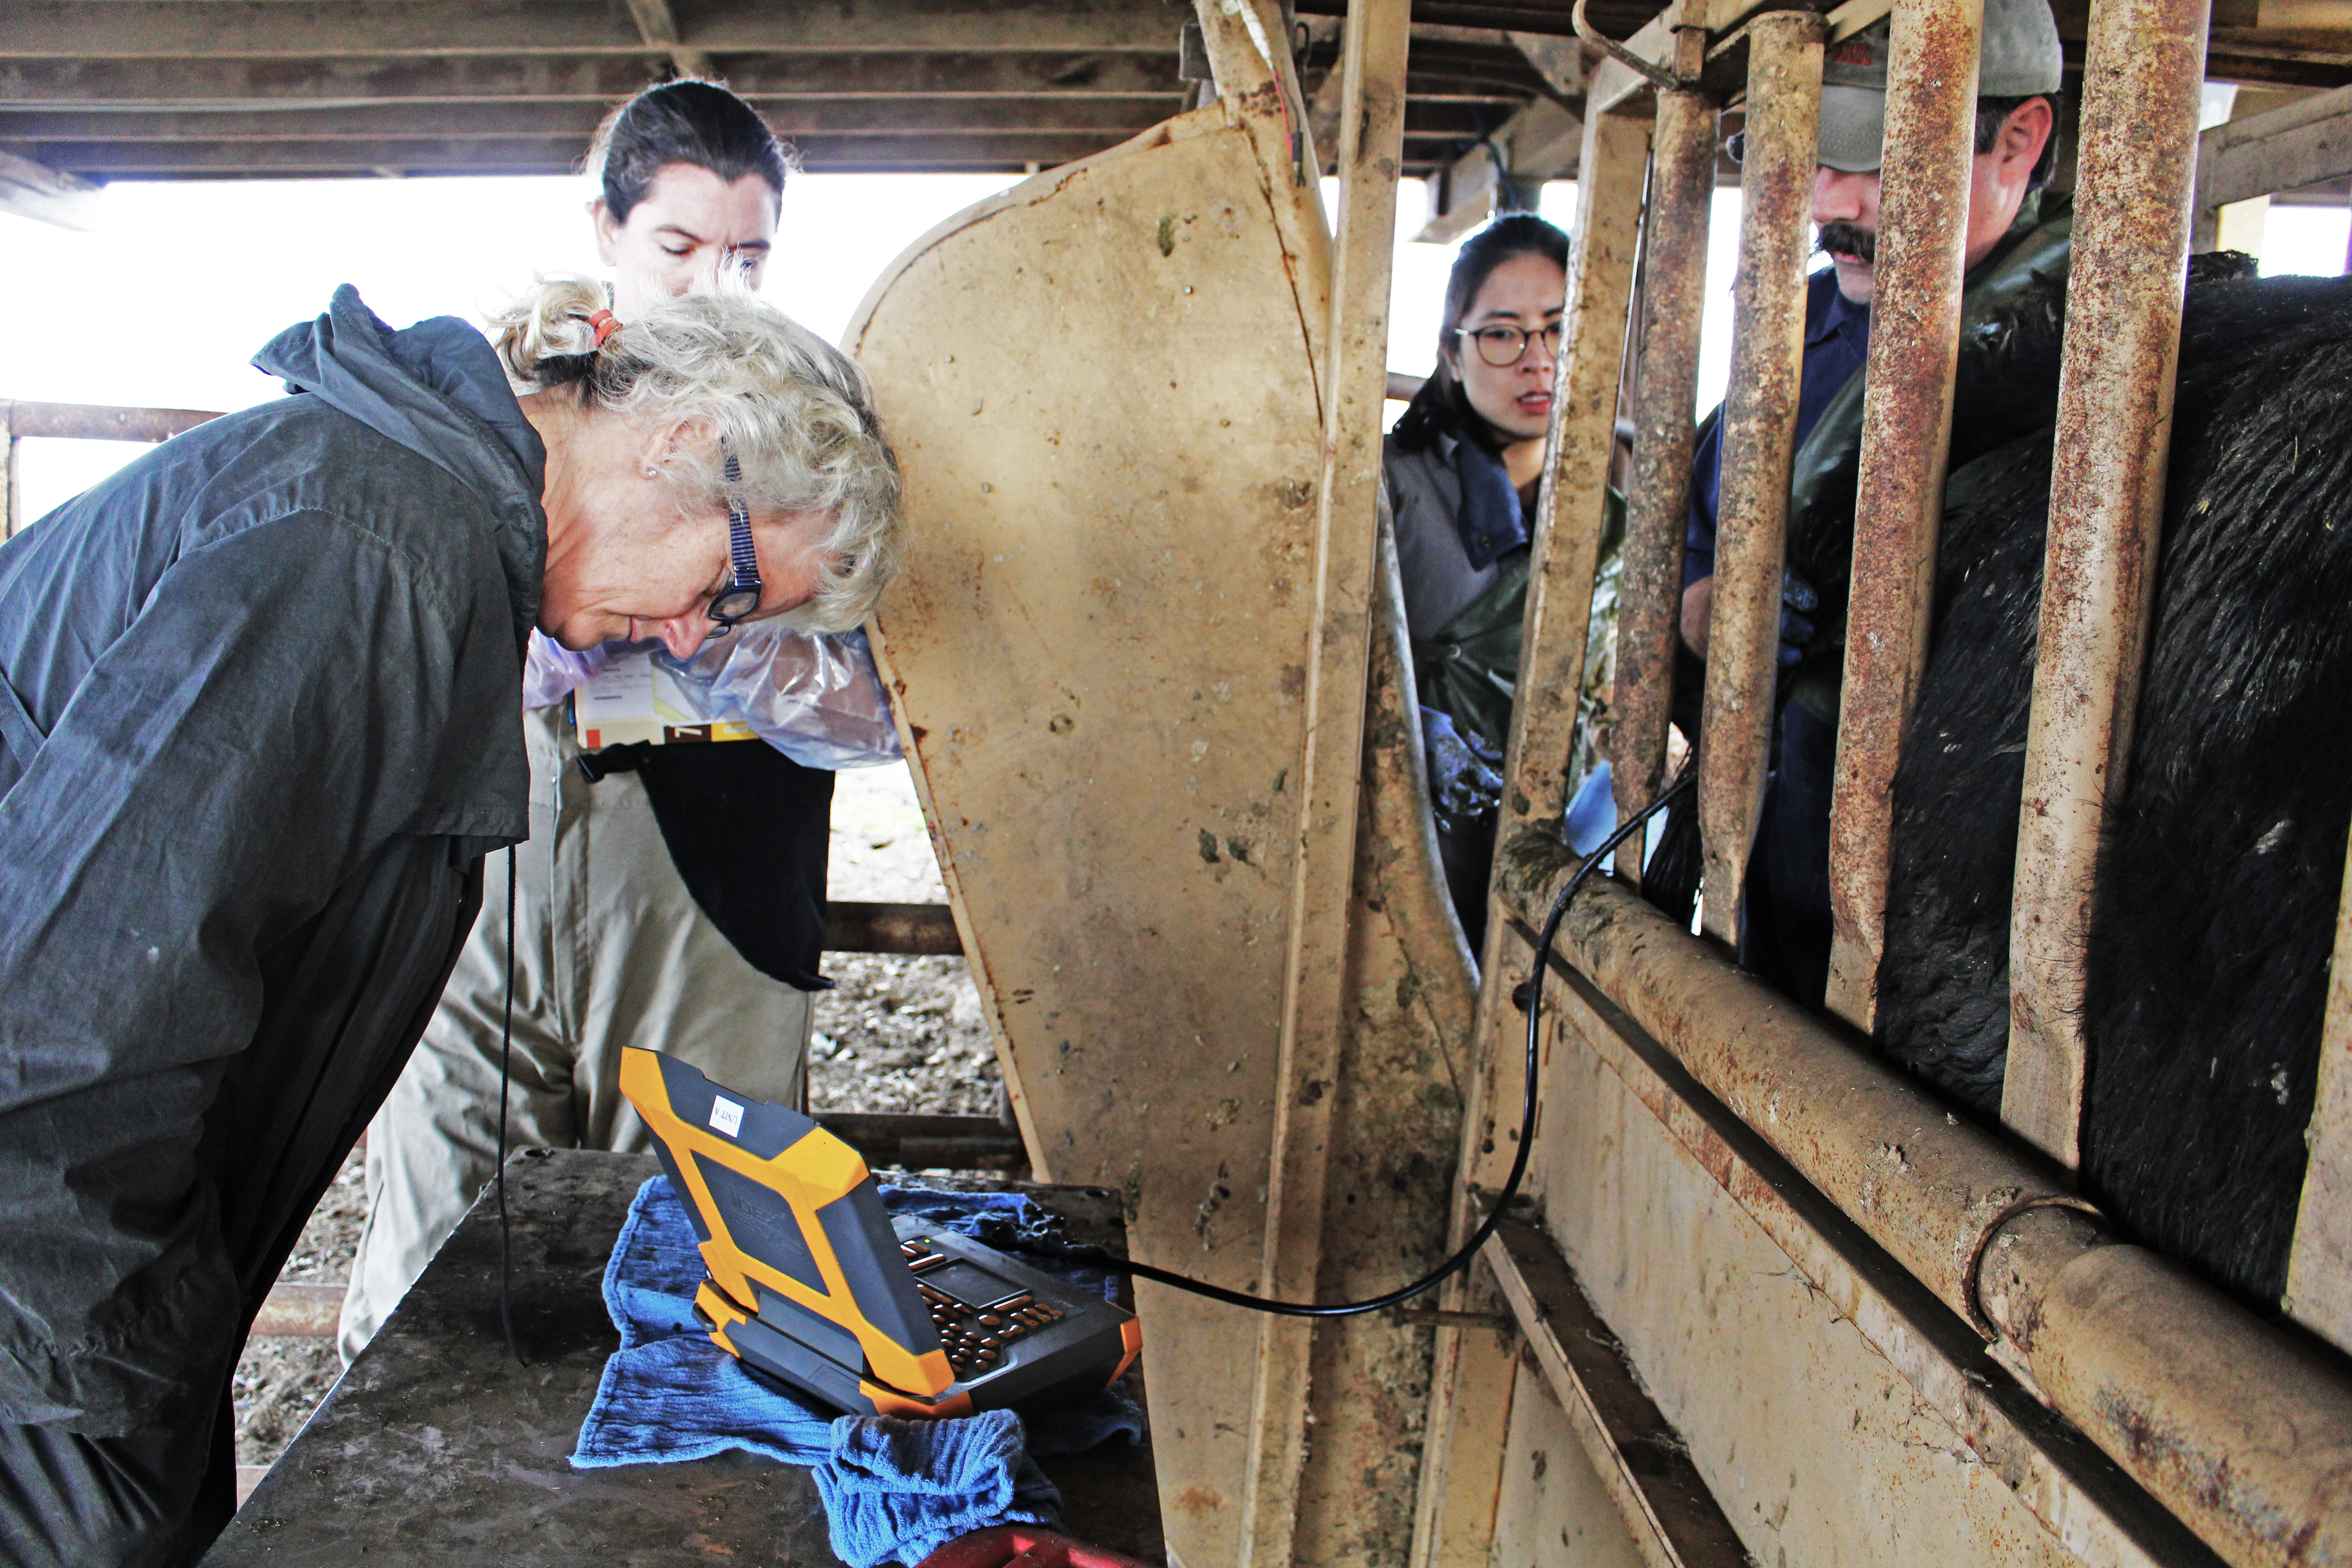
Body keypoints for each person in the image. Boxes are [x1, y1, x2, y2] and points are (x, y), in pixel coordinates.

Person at [0, 278, 900, 1566]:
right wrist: (104, 1447)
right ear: (682, 441)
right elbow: (62, 1038)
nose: (703, 640)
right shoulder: (372, 550)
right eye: (737, 587)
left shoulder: (411, 519)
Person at [338, 81, 906, 1359]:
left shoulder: (809, 432)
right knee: (449, 1210)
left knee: (710, 1220)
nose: (717, 282)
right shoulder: (522, 397)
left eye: (748, 253)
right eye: (682, 245)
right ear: (608, 232)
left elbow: (882, 699)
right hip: (495, 847)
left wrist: (736, 639)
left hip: (707, 868)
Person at [1676, 0, 2066, 1004]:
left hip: (1981, 986)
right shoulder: (1791, 335)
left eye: (1874, 157)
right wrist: (1710, 611)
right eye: (1810, 157)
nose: (1825, 201)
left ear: (2017, 141)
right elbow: (1678, 555)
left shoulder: (2104, 363)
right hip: (1770, 930)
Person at [1386, 213, 1620, 951]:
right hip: (1399, 880)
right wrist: (1412, 729)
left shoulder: (1616, 525)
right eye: (1501, 333)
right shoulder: (1383, 492)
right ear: (1451, 355)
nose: (1536, 359)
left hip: (1556, 888)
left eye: (1558, 328)